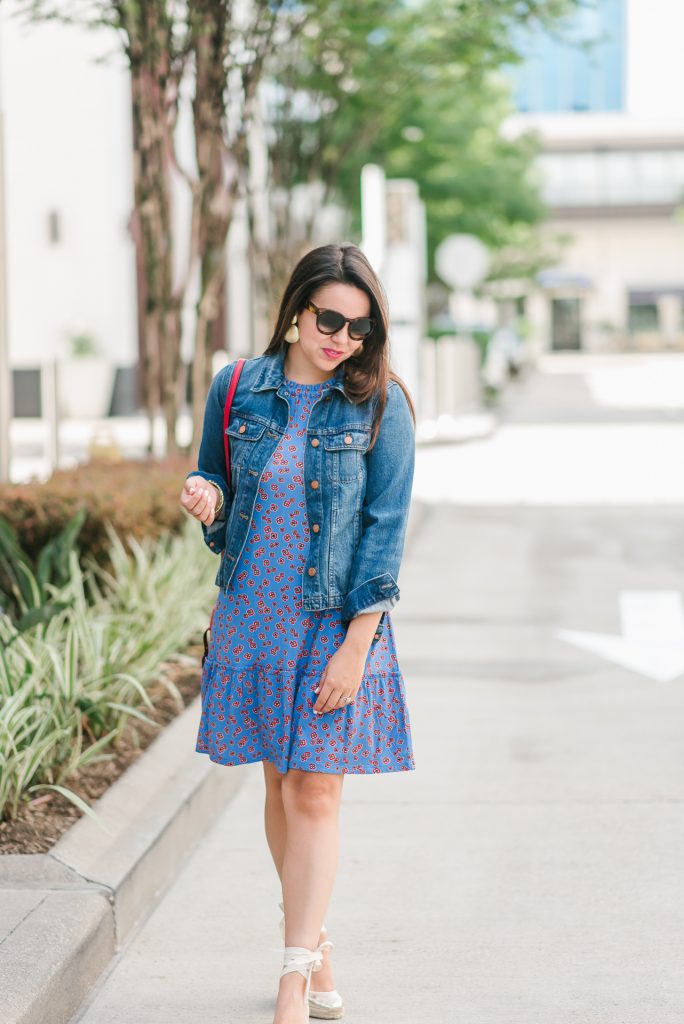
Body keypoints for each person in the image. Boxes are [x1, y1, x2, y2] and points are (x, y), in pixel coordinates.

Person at [180, 242, 416, 1024]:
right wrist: (206, 495)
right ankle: (316, 947)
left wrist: (358, 644)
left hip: (333, 623)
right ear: (294, 311)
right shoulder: (238, 387)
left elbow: (384, 534)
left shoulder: (382, 404)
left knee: (316, 791)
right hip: (251, 614)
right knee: (280, 787)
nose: (342, 339)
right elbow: (218, 475)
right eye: (329, 319)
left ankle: (290, 978)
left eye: (360, 329)